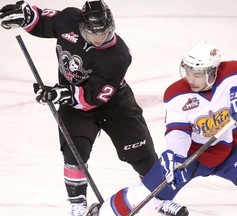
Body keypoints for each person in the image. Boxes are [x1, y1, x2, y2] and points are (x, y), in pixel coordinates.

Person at [0, 1, 188, 216]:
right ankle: (78, 207)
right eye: (92, 33)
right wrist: (25, 15)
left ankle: (159, 198)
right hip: (74, 104)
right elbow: (42, 20)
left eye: (104, 32)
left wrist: (58, 93)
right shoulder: (68, 20)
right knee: (74, 153)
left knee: (141, 154)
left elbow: (92, 99)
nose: (99, 38)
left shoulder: (118, 56)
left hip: (115, 103)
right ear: (81, 25)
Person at [88, 41, 237, 216]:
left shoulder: (235, 73)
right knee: (144, 198)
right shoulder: (177, 94)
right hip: (190, 156)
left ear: (213, 71)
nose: (190, 79)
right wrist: (176, 156)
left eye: (197, 74)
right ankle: (101, 213)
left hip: (232, 149)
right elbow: (177, 130)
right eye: (187, 72)